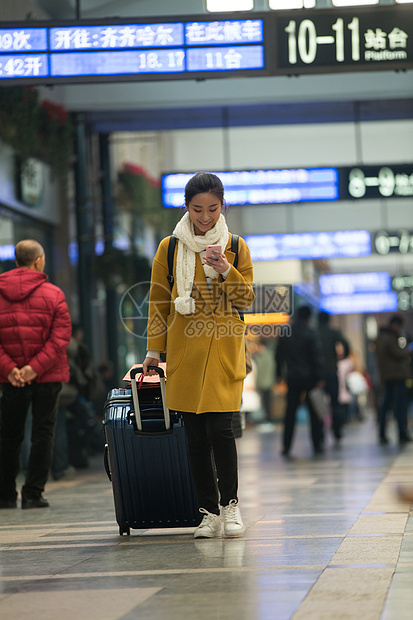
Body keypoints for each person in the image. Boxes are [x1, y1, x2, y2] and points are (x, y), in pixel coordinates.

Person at [142, 172, 255, 538]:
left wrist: (225, 268)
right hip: (184, 352)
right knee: (194, 438)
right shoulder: (170, 247)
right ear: (186, 207)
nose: (204, 218)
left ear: (223, 206)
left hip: (222, 349)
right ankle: (208, 511)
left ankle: (231, 506)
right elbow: (159, 301)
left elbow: (246, 300)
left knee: (221, 431)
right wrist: (153, 351)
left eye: (212, 209)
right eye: (197, 209)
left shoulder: (236, 246)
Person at [0, 240, 71, 509]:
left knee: (9, 435)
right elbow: (61, 337)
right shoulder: (53, 294)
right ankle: (32, 494)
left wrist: (11, 370)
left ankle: (5, 495)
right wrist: (35, 368)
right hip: (46, 376)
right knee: (43, 433)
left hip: (10, 378)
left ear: (16, 261)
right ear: (39, 261)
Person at [276, 305, 324, 457]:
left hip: (293, 378)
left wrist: (279, 374)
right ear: (309, 317)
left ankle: (286, 446)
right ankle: (317, 444)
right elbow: (316, 357)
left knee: (290, 413)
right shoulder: (310, 333)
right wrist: (319, 377)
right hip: (309, 379)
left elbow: (278, 356)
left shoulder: (286, 332)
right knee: (314, 413)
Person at [375, 315, 412, 445]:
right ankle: (402, 433)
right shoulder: (389, 337)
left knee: (386, 406)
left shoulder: (381, 337)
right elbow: (399, 353)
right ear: (395, 325)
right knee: (400, 407)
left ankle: (382, 434)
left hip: (387, 376)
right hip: (397, 376)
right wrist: (409, 349)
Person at [317, 311, 350, 444]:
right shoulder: (333, 332)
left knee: (318, 404)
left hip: (318, 374)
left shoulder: (314, 332)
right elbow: (346, 344)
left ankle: (319, 434)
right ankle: (337, 431)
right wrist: (343, 356)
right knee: (335, 403)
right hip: (331, 371)